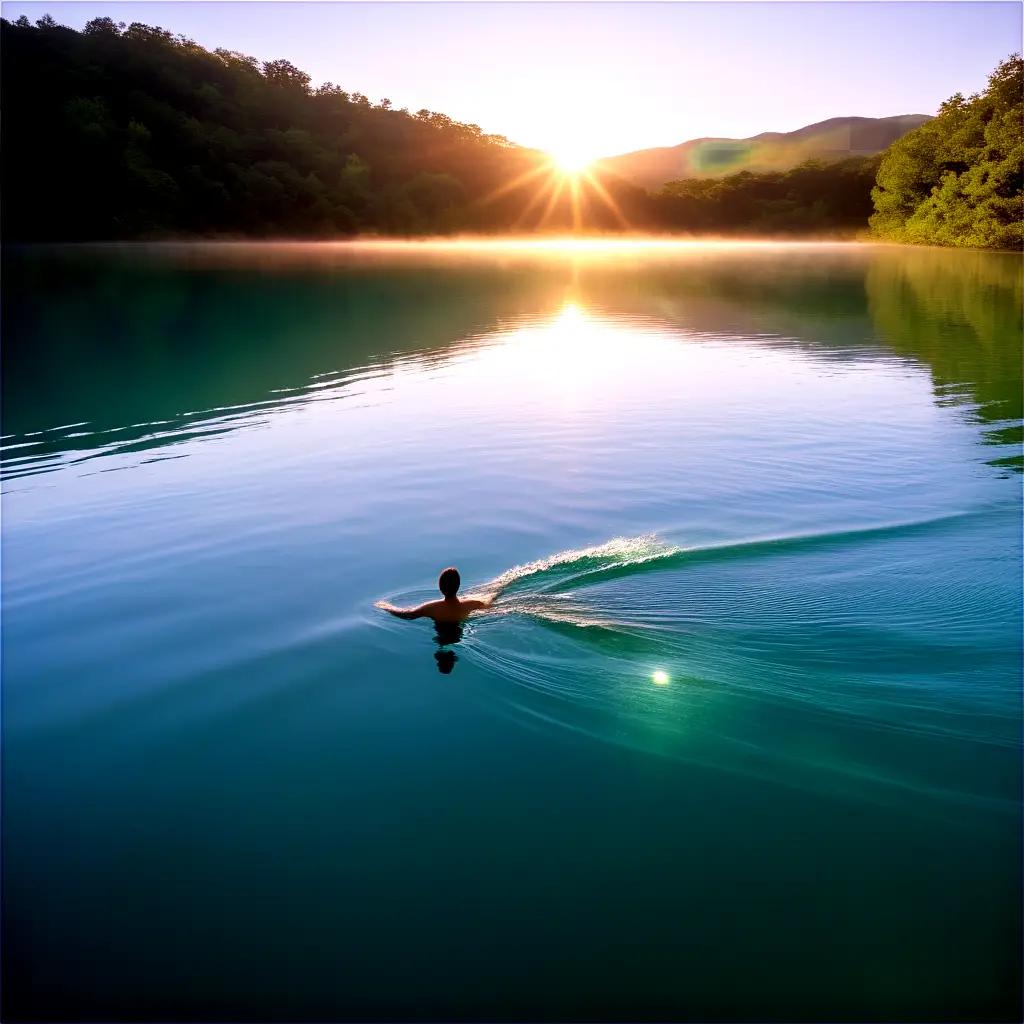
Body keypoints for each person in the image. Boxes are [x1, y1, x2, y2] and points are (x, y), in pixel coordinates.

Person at [376, 566, 499, 623]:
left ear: (440, 587)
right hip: (459, 633)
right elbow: (490, 604)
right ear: (458, 586)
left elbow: (408, 615)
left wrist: (386, 606)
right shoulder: (473, 603)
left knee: (443, 647)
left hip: (442, 632)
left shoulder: (431, 607)